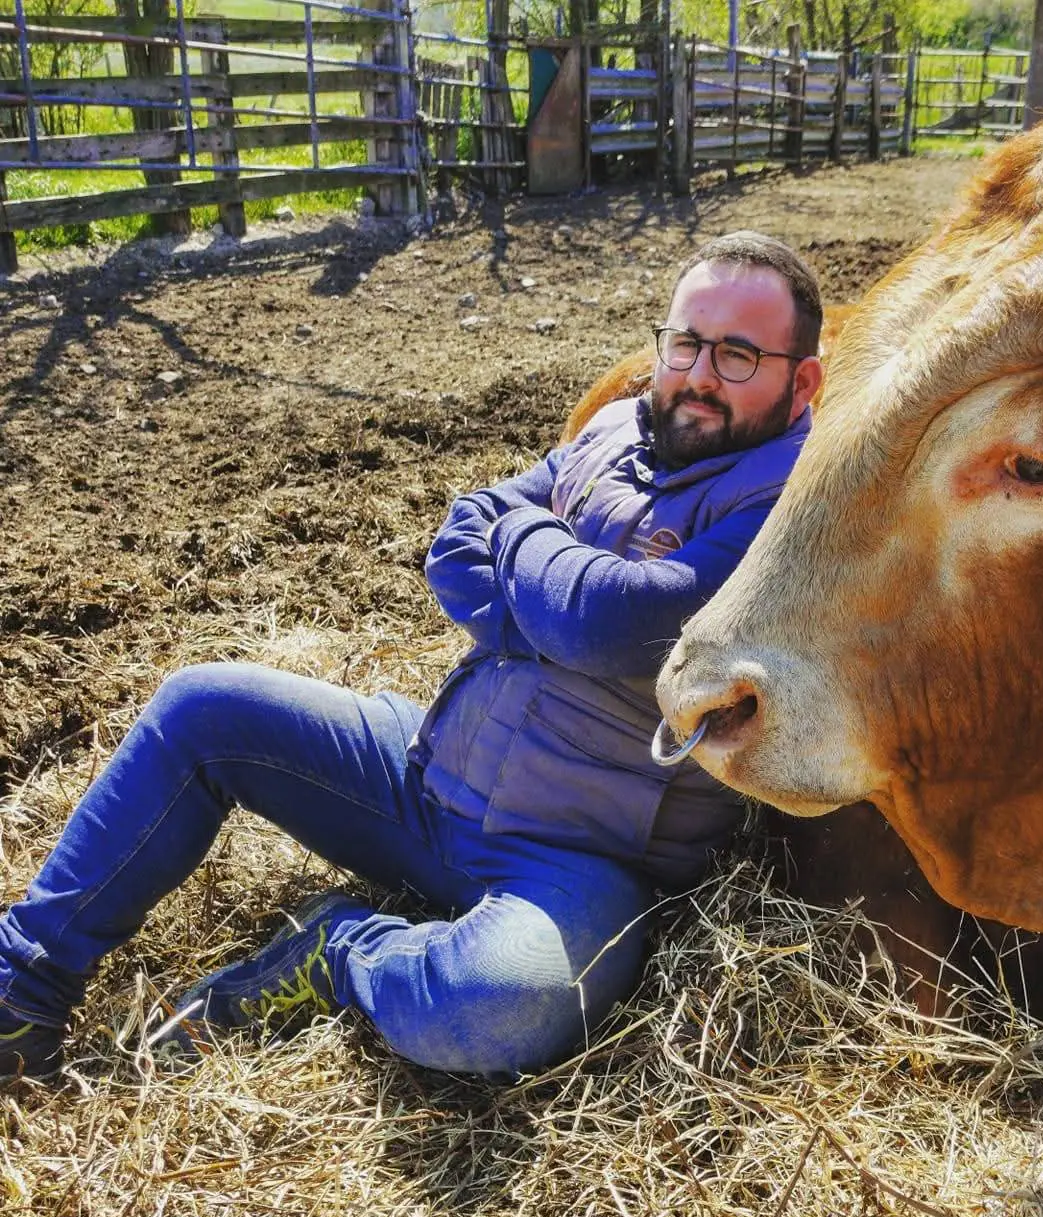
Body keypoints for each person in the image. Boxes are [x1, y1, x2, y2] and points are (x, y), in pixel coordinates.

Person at [0, 231, 824, 1081]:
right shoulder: (621, 426)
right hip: (432, 770)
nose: (696, 376)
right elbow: (453, 547)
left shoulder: (795, 507)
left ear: (803, 379)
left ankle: (339, 947)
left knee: (491, 1011)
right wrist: (546, 606)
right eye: (686, 342)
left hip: (580, 858)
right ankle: (20, 987)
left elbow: (607, 625)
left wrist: (526, 535)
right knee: (200, 708)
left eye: (737, 356)